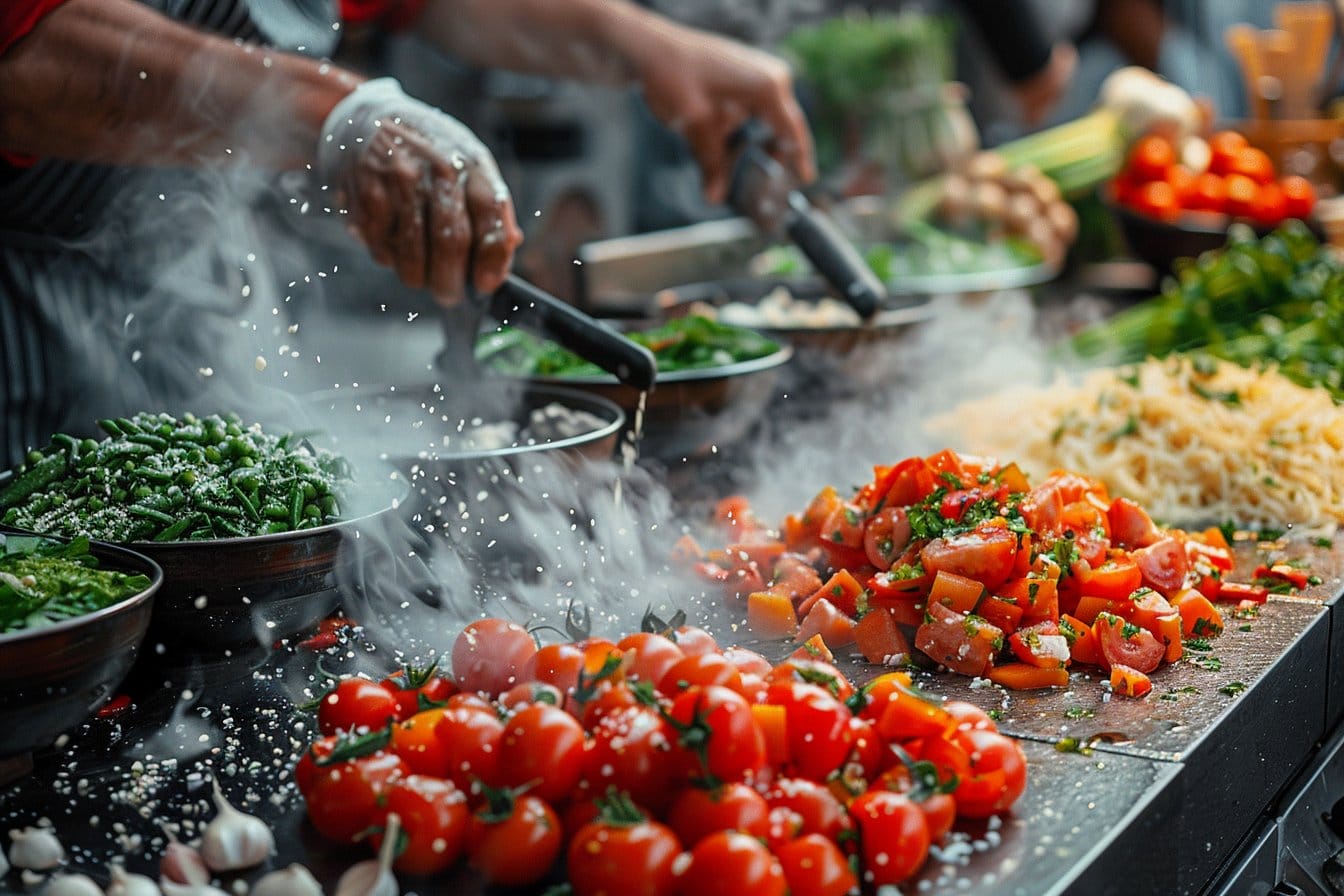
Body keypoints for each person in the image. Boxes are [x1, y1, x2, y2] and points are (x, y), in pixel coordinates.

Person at [0, 0, 814, 467]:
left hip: (210, 294)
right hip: (26, 331)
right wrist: (339, 114)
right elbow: (21, 55)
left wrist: (647, 46)